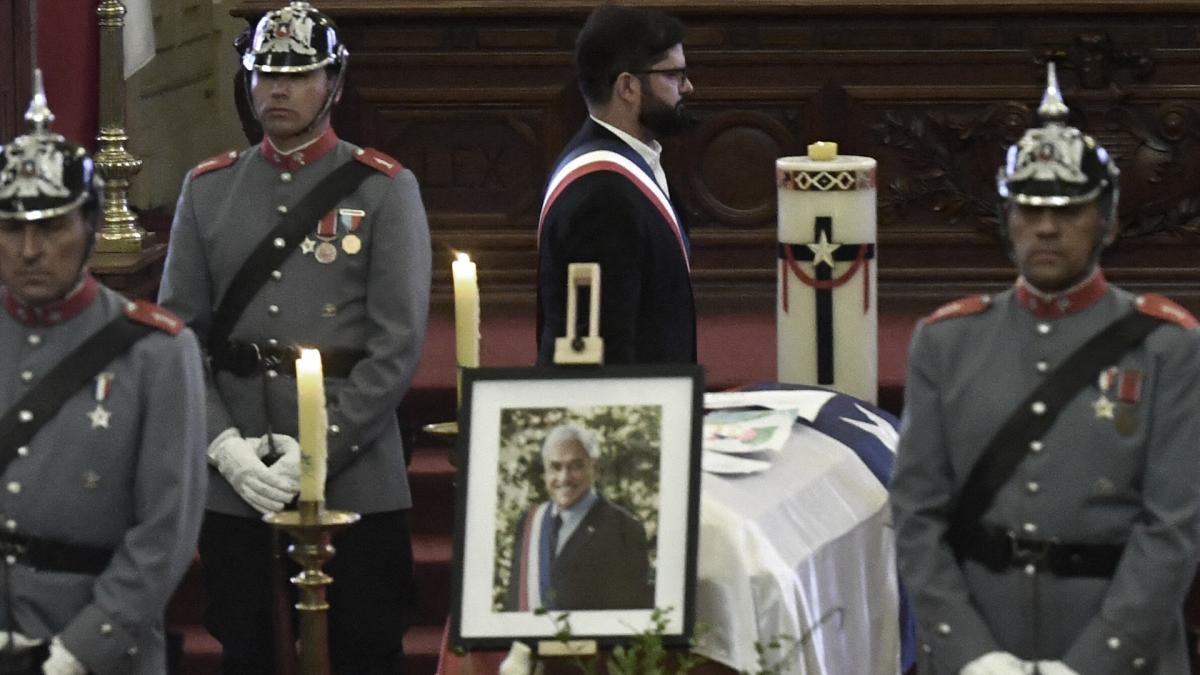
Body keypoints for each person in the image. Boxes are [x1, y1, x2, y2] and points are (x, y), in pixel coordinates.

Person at [890, 62, 1200, 675]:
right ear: (1007, 220)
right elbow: (916, 514)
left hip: (1121, 651)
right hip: (980, 638)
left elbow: (1174, 528)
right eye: (1029, 210)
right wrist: (968, 653)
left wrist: (1092, 663)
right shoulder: (946, 341)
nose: (1048, 227)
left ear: (1107, 220)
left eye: (1070, 210)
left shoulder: (1167, 346)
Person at [157, 1, 431, 673]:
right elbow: (179, 335)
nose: (276, 90)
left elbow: (395, 349)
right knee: (248, 650)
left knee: (367, 651)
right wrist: (224, 448)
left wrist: (315, 451)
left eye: (297, 74)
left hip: (354, 474)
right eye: (264, 74)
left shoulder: (383, 190)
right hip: (240, 476)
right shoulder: (207, 190)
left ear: (333, 83)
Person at [0, 71, 206, 675]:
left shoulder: (157, 352)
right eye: (12, 228)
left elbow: (165, 531)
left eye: (53, 226)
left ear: (89, 227)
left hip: (101, 646)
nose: (30, 249)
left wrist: (76, 654)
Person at [536, 4, 697, 365]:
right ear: (628, 86)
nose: (688, 87)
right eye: (674, 75)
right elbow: (604, 347)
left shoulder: (621, 164)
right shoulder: (603, 194)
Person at [505, 424, 653, 611]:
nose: (564, 477)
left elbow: (632, 611)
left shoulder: (624, 528)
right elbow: (515, 601)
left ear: (595, 469)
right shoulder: (529, 522)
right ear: (545, 471)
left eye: (576, 466)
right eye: (555, 467)